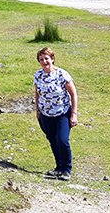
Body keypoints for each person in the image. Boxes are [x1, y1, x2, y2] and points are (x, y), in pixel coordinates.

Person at [34, 47, 78, 181]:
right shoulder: (38, 75)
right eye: (41, 59)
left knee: (63, 140)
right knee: (53, 140)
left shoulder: (62, 74)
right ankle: (58, 168)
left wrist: (74, 113)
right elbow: (37, 93)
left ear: (52, 59)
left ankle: (67, 169)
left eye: (46, 58)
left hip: (62, 113)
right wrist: (37, 110)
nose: (44, 61)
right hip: (45, 114)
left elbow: (73, 94)